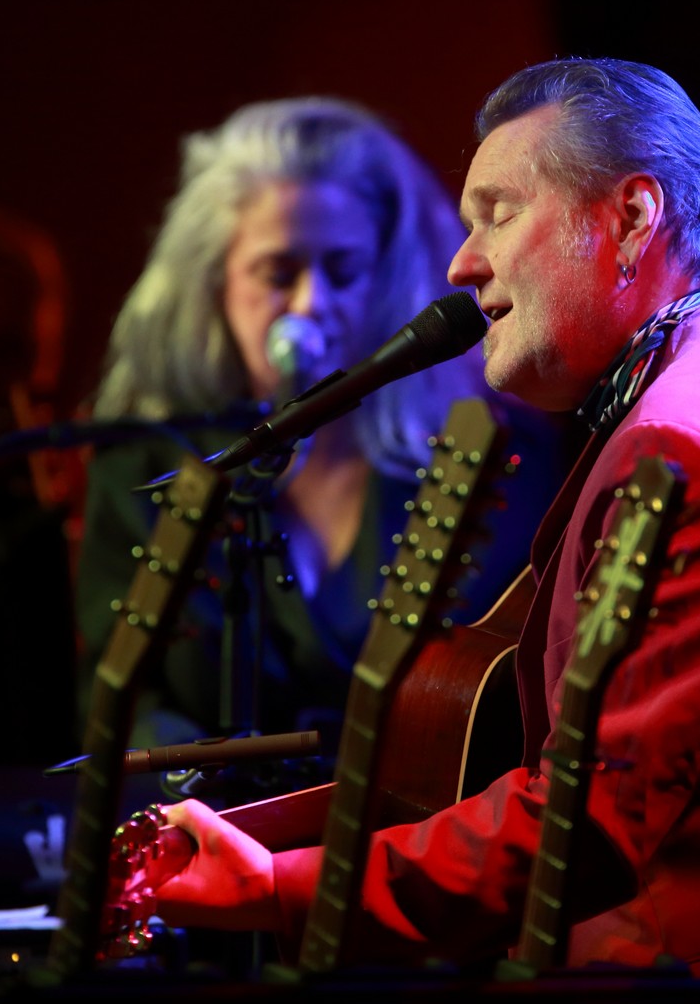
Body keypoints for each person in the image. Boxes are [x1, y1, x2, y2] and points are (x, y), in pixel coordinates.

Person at [148, 59, 700, 1004]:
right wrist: (266, 841)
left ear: (633, 219)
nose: (461, 264)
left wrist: (278, 886)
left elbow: (590, 819)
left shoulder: (691, 442)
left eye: (498, 213)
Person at [73, 97, 570, 812]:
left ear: (387, 278)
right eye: (277, 273)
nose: (310, 304)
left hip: (411, 838)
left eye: (344, 270)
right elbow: (119, 699)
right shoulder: (144, 466)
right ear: (214, 284)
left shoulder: (495, 455)